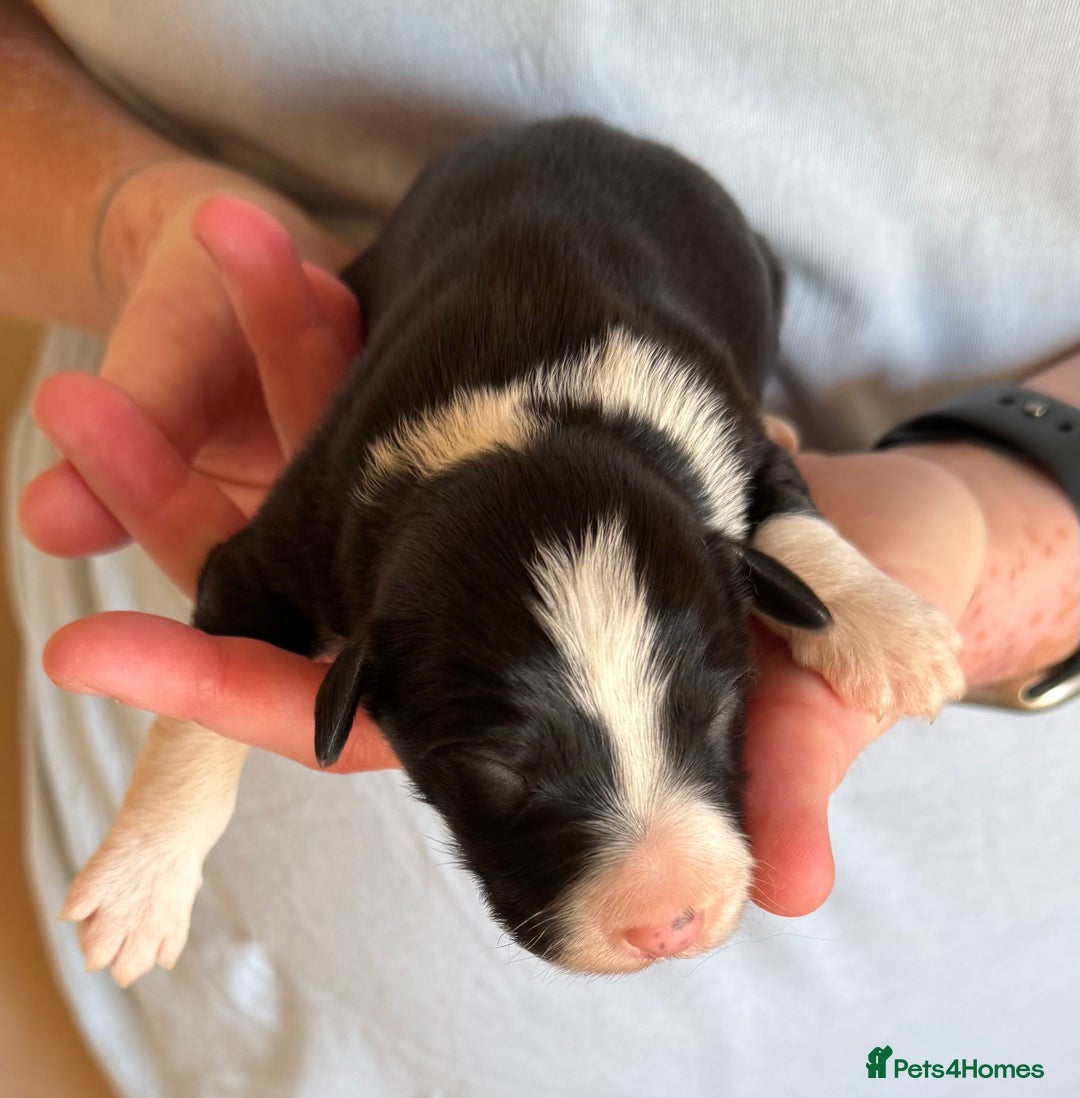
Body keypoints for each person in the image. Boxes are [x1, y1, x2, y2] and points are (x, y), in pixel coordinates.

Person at [2, 1, 1077, 1094]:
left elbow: (763, 488)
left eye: (711, 710)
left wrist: (901, 558)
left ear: (734, 572)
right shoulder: (339, 499)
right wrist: (168, 832)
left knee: (745, 310)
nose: (664, 904)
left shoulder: (703, 438)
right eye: (514, 773)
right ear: (367, 667)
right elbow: (246, 593)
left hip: (962, 976)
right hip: (263, 1002)